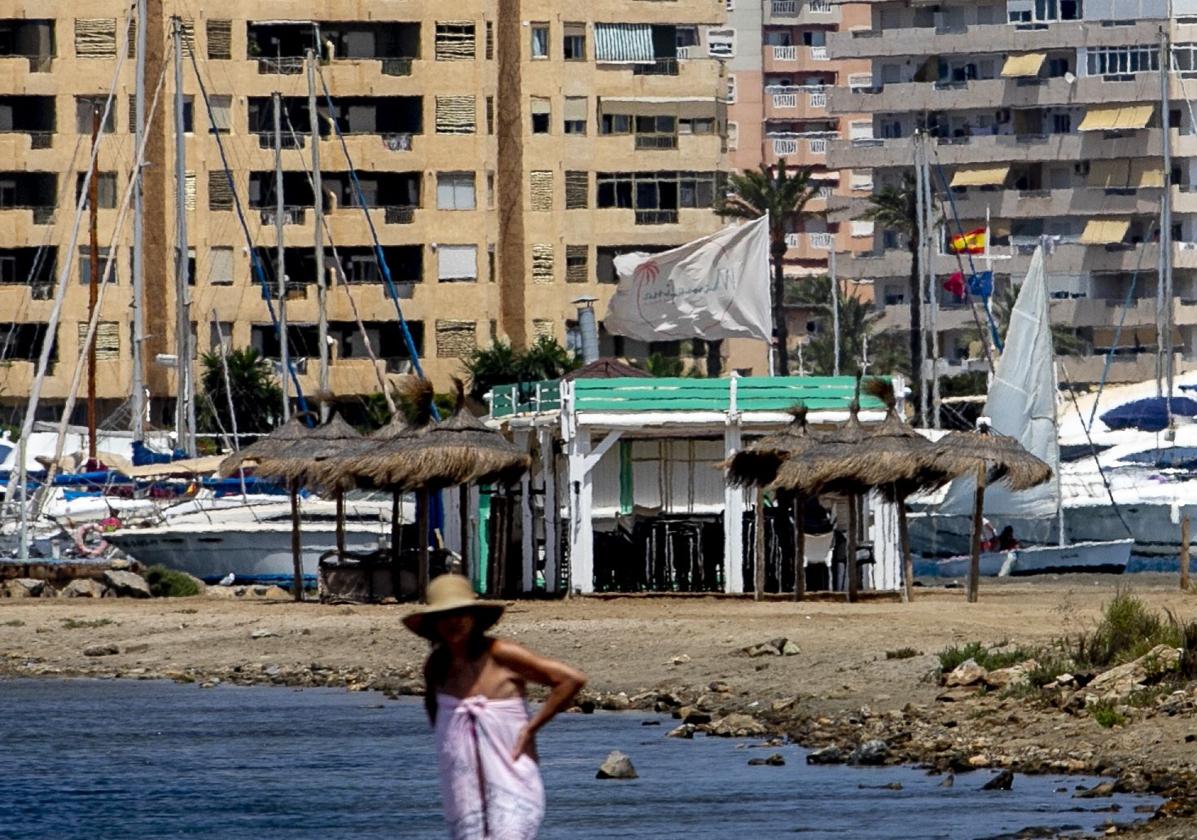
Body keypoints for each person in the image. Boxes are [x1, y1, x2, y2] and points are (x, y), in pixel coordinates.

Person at [406, 574, 587, 840]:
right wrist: (449, 745)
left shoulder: (500, 653)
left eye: (460, 614)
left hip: (510, 774)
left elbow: (570, 680)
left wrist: (531, 728)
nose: (453, 622)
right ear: (434, 624)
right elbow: (433, 705)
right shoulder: (437, 665)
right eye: (444, 616)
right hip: (462, 781)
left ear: (473, 617)